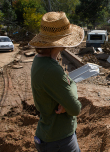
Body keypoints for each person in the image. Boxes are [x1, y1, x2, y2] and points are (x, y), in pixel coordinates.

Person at [29, 12, 84, 152]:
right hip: (59, 141)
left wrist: (68, 89)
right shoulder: (51, 69)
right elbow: (75, 108)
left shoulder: (40, 60)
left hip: (51, 137)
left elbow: (68, 84)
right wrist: (71, 87)